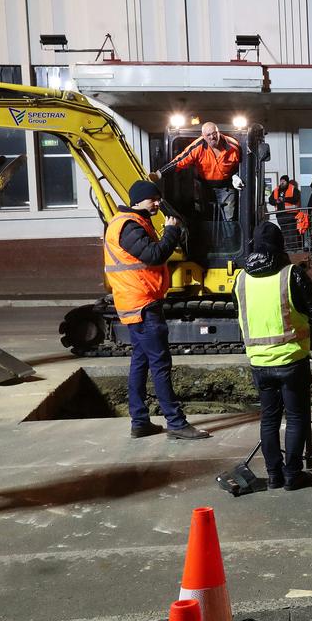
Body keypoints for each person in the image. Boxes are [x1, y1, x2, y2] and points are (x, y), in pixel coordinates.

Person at [104, 180, 210, 441]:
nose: (157, 203)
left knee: (140, 363)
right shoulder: (128, 226)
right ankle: (175, 423)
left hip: (138, 303)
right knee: (160, 364)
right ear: (138, 200)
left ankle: (140, 422)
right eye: (153, 199)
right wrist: (171, 232)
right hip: (142, 304)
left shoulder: (130, 223)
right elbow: (154, 255)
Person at [235, 221, 312, 491]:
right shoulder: (291, 274)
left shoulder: (241, 278)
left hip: (259, 363)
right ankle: (293, 475)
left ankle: (274, 475)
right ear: (281, 245)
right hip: (291, 359)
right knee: (296, 417)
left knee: (269, 418)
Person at [155, 122, 242, 222]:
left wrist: (236, 176)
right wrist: (160, 173)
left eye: (214, 133)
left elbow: (241, 165)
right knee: (206, 216)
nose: (212, 137)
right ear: (203, 136)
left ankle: (228, 237)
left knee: (229, 217)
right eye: (208, 135)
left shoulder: (233, 146)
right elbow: (180, 161)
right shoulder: (197, 147)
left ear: (219, 133)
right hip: (205, 187)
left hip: (226, 187)